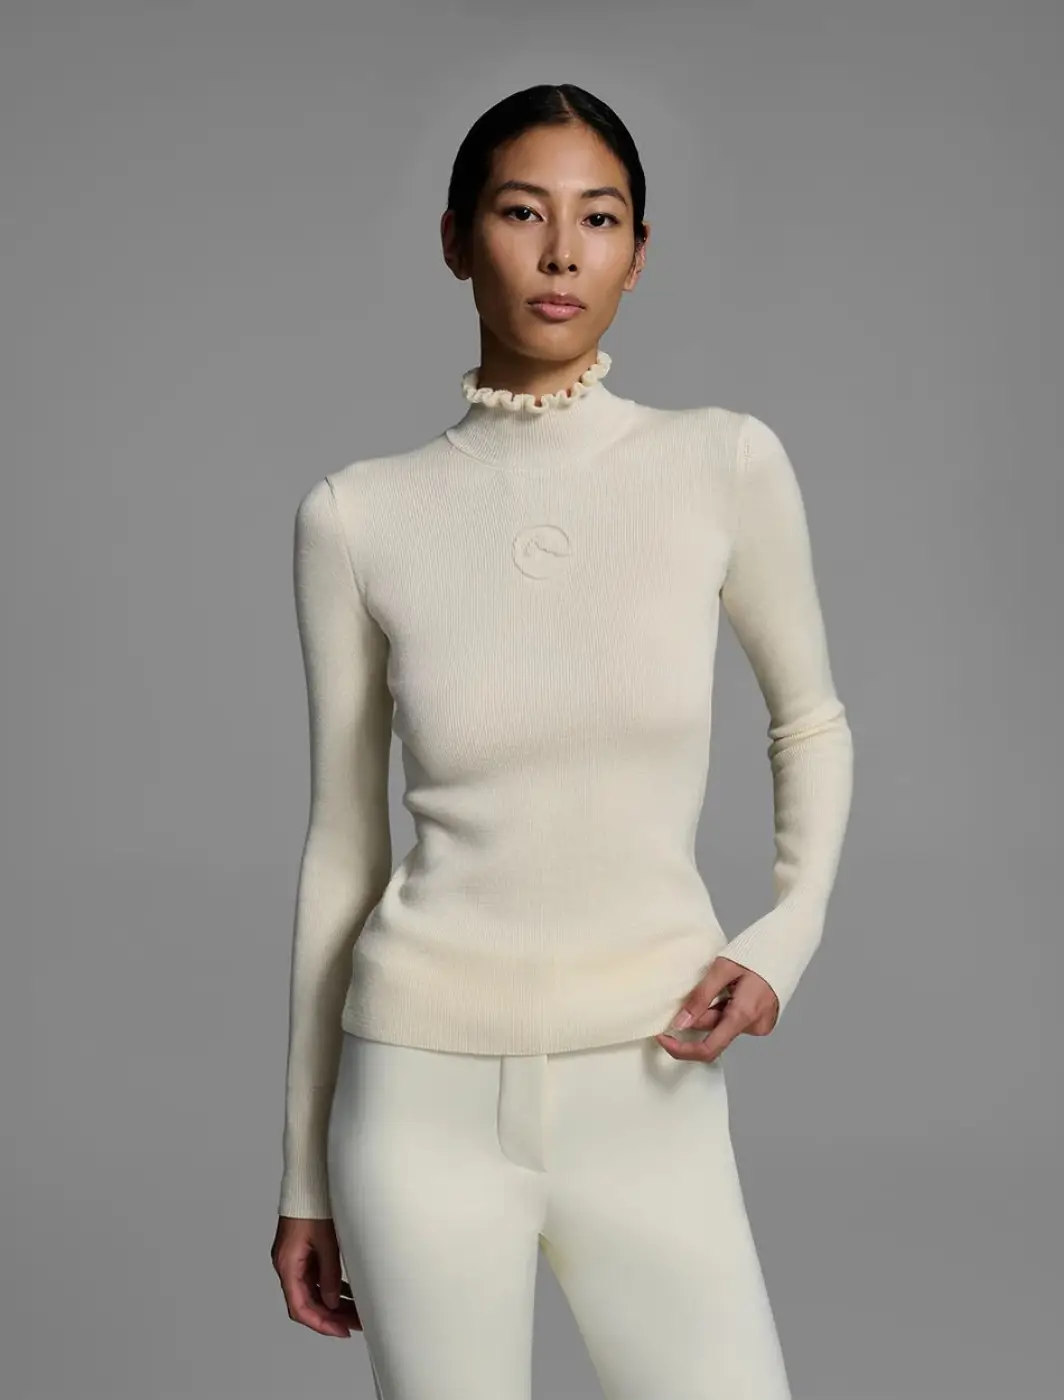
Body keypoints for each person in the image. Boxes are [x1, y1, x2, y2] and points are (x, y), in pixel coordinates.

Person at [270, 82, 854, 1400]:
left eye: (598, 219)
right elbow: (343, 846)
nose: (559, 254)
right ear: (455, 239)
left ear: (638, 254)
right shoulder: (359, 516)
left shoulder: (721, 464)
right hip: (413, 1100)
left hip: (648, 1080)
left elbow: (810, 720)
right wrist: (304, 1176)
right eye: (521, 213)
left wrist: (785, 935)